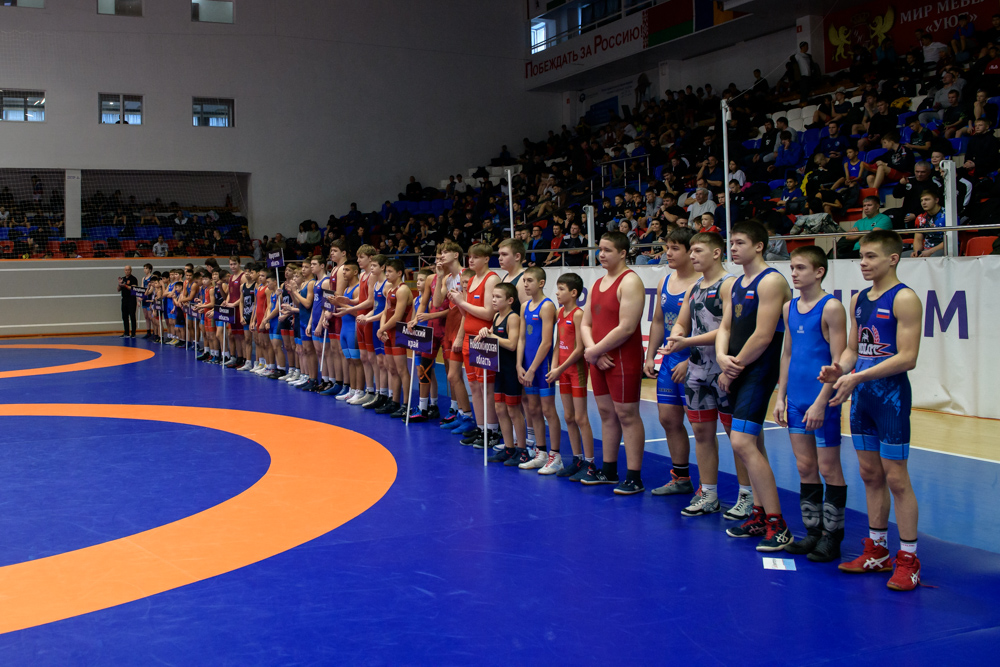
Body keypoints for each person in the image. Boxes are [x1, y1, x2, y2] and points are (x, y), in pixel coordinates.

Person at [820, 229, 923, 591]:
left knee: (896, 477)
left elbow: (907, 357)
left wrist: (858, 375)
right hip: (863, 396)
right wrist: (840, 370)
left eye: (871, 257)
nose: (863, 262)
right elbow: (852, 349)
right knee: (869, 473)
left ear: (893, 259)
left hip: (891, 399)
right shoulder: (860, 299)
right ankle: (877, 550)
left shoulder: (905, 298)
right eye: (861, 256)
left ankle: (908, 558)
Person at [717, 220, 793, 551]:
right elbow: (725, 326)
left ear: (759, 246)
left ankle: (778, 524)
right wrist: (721, 356)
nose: (733, 248)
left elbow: (763, 335)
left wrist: (732, 369)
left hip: (758, 369)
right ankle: (761, 514)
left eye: (739, 243)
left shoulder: (772, 281)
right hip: (736, 366)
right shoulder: (735, 283)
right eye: (730, 243)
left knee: (743, 442)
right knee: (751, 443)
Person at [772, 247, 848, 562]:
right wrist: (781, 396)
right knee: (805, 466)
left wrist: (822, 402)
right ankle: (812, 532)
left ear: (819, 272)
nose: (794, 273)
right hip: (797, 399)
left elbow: (839, 361)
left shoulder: (831, 307)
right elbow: (787, 353)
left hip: (822, 401)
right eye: (792, 267)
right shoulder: (789, 307)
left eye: (801, 268)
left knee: (829, 467)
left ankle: (833, 537)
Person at [579, 231, 647, 494]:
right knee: (607, 414)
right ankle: (608, 470)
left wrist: (595, 350)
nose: (601, 254)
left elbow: (627, 327)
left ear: (622, 253)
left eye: (607, 250)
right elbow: (586, 323)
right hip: (599, 357)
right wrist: (592, 351)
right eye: (600, 249)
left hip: (622, 358)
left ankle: (634, 476)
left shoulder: (630, 282)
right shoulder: (597, 283)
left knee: (627, 415)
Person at [644, 228, 700, 496]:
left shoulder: (703, 282)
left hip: (696, 363)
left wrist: (691, 361)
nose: (668, 253)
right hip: (668, 361)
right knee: (668, 419)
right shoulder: (664, 282)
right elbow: (657, 321)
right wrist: (650, 355)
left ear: (692, 251)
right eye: (667, 247)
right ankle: (681, 477)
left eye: (675, 248)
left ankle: (708, 487)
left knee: (701, 426)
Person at [542, 272, 594, 479]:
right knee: (568, 416)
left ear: (574, 293)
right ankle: (577, 458)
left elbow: (579, 349)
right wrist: (554, 367)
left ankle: (590, 463)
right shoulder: (560, 312)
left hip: (576, 371)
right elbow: (558, 343)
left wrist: (560, 368)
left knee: (581, 417)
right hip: (562, 371)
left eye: (561, 289)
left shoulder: (579, 314)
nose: (557, 292)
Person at [451, 243, 501, 448]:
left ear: (487, 259)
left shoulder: (492, 279)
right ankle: (481, 429)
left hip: (483, 338)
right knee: (474, 386)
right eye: (470, 257)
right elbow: (468, 313)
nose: (471, 260)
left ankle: (492, 430)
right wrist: (459, 301)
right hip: (469, 338)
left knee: (485, 387)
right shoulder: (471, 280)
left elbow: (488, 313)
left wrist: (461, 303)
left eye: (476, 257)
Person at [515, 267, 560, 471]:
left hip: (542, 365)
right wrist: (519, 365)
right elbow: (522, 338)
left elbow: (546, 342)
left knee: (548, 410)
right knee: (532, 409)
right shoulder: (524, 306)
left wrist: (533, 368)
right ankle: (541, 453)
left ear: (541, 283)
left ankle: (555, 456)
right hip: (527, 364)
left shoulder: (547, 306)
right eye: (524, 280)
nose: (525, 284)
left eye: (530, 280)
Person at [482, 283, 527, 465]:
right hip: (498, 368)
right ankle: (509, 448)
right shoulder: (496, 316)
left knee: (513, 410)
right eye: (492, 296)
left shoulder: (513, 317)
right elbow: (495, 337)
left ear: (510, 300)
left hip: (510, 369)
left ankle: (522, 450)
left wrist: (493, 337)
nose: (493, 300)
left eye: (498, 297)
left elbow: (512, 344)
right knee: (500, 409)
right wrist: (485, 332)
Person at [375, 259, 414, 416]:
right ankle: (394, 401)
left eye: (390, 272)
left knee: (402, 369)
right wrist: (382, 328)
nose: (387, 274)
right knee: (391, 368)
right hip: (389, 332)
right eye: (386, 271)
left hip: (399, 333)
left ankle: (407, 404)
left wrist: (383, 328)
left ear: (399, 273)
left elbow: (398, 316)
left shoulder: (402, 290)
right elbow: (386, 311)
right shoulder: (389, 289)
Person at [333, 261, 363, 402]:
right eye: (343, 270)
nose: (343, 272)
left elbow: (358, 313)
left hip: (353, 329)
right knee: (349, 360)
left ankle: (360, 391)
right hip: (345, 328)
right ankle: (352, 390)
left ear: (355, 272)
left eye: (347, 270)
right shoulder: (345, 290)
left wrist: (340, 304)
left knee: (357, 361)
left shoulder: (357, 289)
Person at [911, 190, 946, 257]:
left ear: (936, 200)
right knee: (901, 256)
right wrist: (917, 252)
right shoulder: (920, 218)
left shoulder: (948, 216)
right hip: (926, 250)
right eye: (922, 200)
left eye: (927, 199)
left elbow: (950, 241)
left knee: (933, 257)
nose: (923, 203)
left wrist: (930, 252)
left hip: (945, 250)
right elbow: (918, 239)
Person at [117, 264, 139, 338]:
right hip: (124, 299)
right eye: (126, 270)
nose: (127, 271)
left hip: (131, 299)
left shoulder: (133, 279)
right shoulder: (123, 279)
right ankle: (126, 332)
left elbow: (134, 288)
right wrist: (120, 284)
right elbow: (118, 289)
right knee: (124, 316)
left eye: (128, 270)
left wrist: (125, 285)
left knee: (132, 315)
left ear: (130, 270)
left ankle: (133, 333)